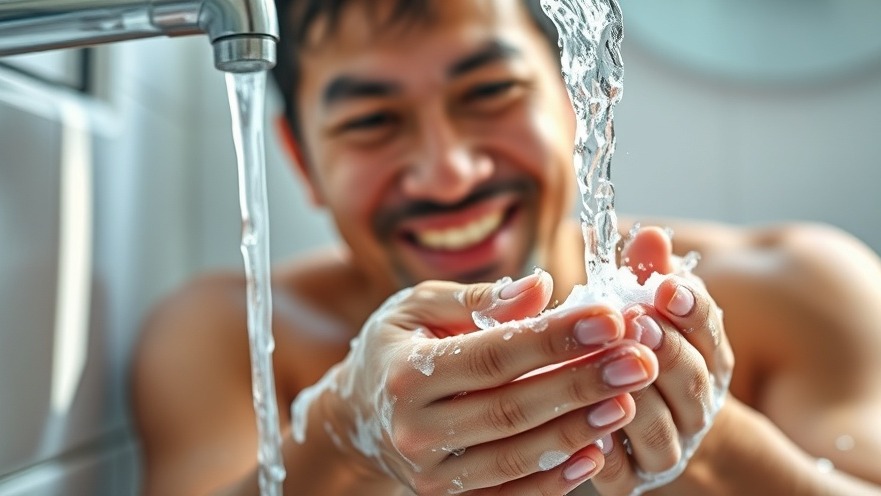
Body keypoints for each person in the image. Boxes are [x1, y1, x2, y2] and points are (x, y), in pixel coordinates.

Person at [131, 1, 881, 494]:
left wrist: (707, 442)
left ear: (571, 95)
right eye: (372, 123)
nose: (449, 173)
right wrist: (340, 437)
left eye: (488, 93)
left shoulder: (800, 287)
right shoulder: (237, 341)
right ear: (302, 162)